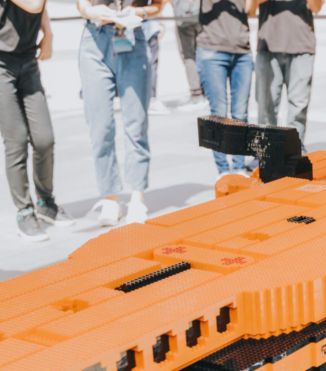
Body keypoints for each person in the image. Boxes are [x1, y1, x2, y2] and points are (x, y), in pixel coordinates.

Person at [77, 0, 163, 226]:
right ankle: (109, 198)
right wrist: (92, 11)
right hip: (94, 40)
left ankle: (137, 197)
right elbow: (81, 5)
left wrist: (139, 11)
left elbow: (158, 5)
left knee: (137, 125)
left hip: (133, 37)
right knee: (100, 126)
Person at [0, 0, 73, 241]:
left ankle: (45, 203)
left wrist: (48, 34)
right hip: (2, 64)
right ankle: (25, 211)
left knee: (45, 139)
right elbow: (33, 4)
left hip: (28, 60)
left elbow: (39, 8)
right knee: (16, 140)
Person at [248, 0, 324, 144]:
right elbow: (250, 9)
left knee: (298, 108)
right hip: (268, 47)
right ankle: (267, 153)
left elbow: (316, 7)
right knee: (265, 108)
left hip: (302, 46)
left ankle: (294, 151)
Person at [195, 0, 254, 174]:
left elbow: (250, 10)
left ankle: (238, 167)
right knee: (218, 113)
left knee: (241, 113)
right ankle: (222, 170)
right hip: (211, 50)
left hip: (242, 51)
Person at [172, 0, 203, 103]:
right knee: (204, 51)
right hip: (201, 14)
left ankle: (196, 91)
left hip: (183, 17)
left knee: (188, 55)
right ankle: (206, 89)